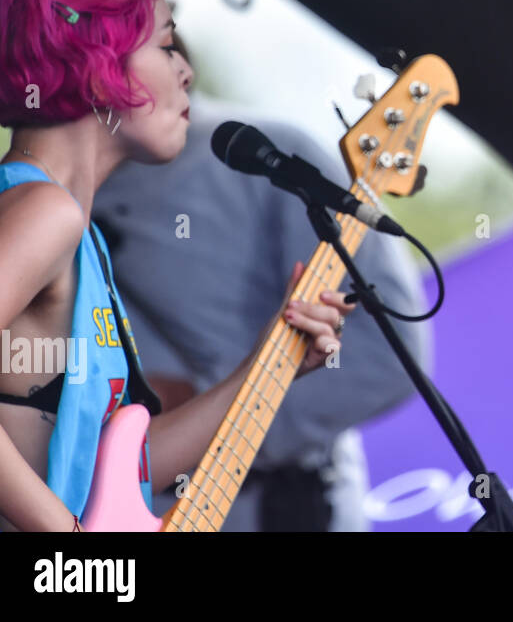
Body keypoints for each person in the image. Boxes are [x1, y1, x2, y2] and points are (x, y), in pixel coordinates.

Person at [0, 0, 350, 531]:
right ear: (98, 68)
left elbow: (127, 467)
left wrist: (268, 365)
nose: (186, 71)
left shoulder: (74, 232)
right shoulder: (43, 212)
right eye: (165, 45)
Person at [93, 68, 434, 532]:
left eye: (161, 31)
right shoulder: (45, 199)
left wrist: (202, 400)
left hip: (289, 508)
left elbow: (385, 359)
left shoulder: (268, 152)